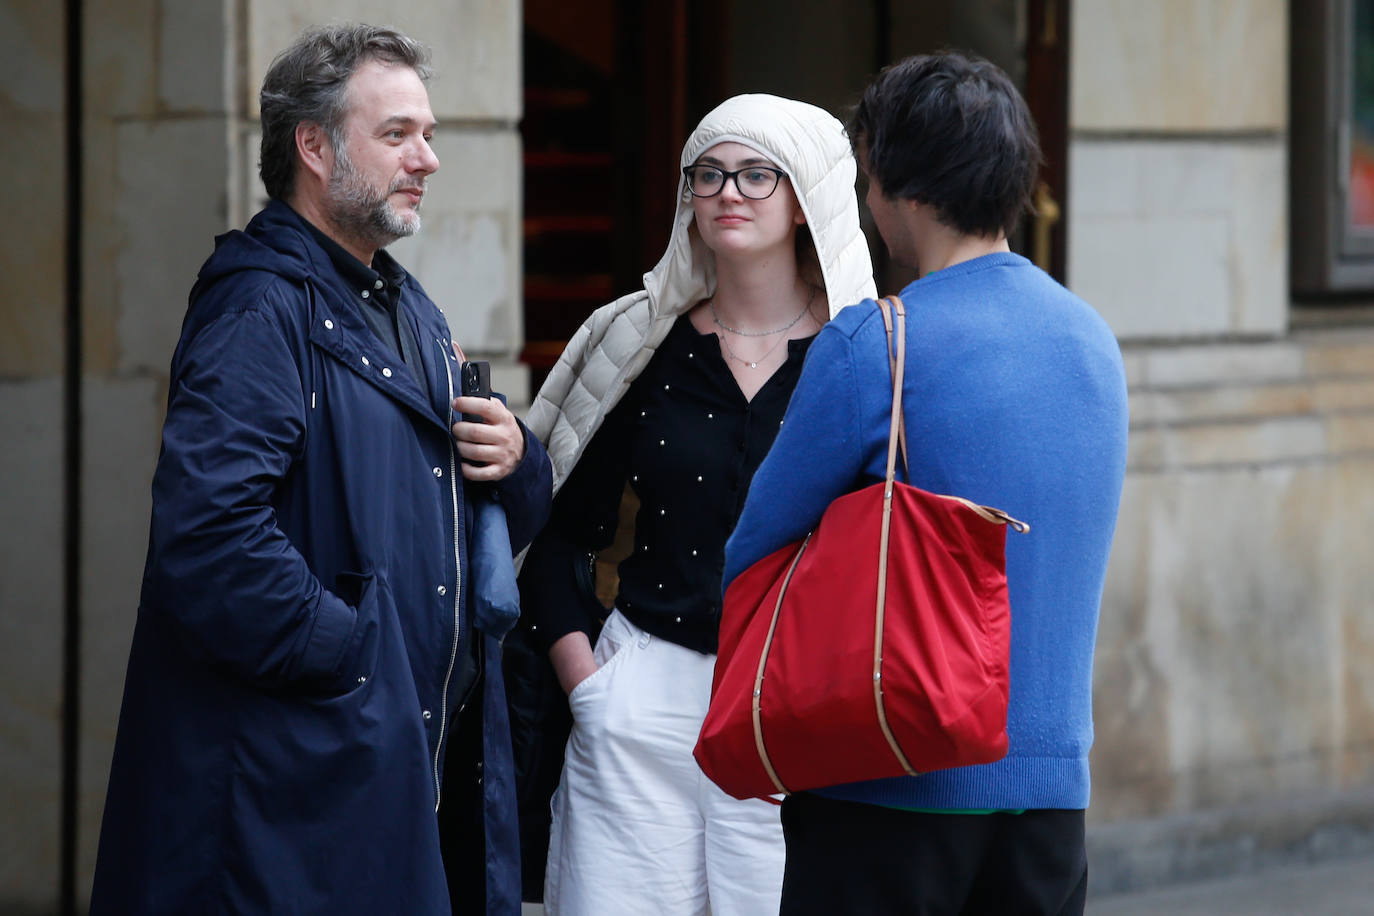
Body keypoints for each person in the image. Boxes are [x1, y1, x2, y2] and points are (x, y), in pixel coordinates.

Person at [88, 23, 551, 915]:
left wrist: (518, 464)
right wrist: (355, 660)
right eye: (398, 134)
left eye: (430, 132)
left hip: (389, 783)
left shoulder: (405, 305)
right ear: (313, 145)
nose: (428, 158)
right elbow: (209, 542)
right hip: (294, 793)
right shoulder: (259, 310)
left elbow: (448, 526)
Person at [724, 52, 1129, 915]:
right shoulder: (1094, 341)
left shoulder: (877, 341)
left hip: (889, 784)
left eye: (870, 178)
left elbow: (754, 555)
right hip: (1051, 796)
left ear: (901, 188)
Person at [513, 94, 875, 914]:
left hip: (795, 709)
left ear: (807, 196)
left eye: (756, 174)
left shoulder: (861, 355)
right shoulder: (636, 342)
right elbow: (555, 526)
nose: (728, 193)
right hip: (642, 697)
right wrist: (590, 685)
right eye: (708, 175)